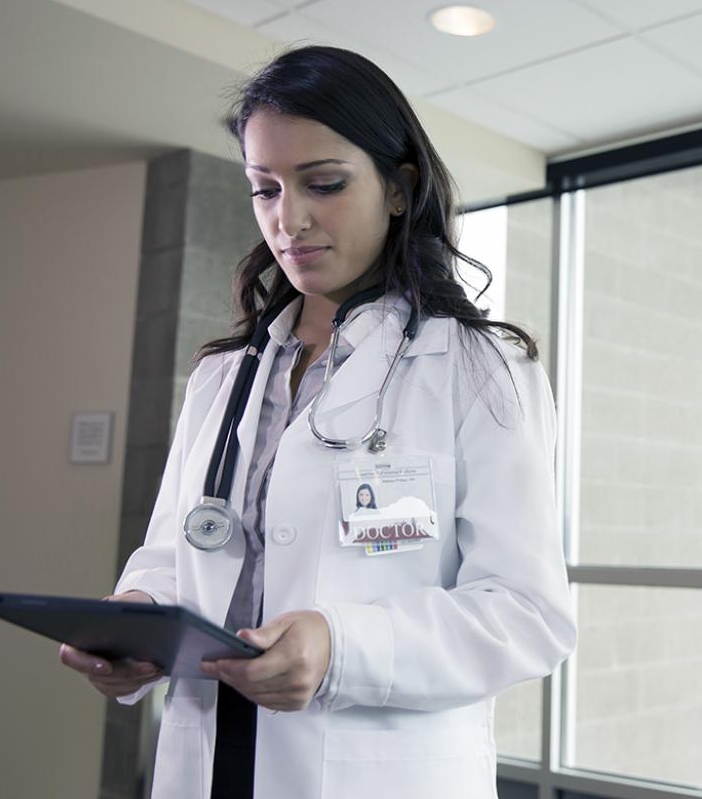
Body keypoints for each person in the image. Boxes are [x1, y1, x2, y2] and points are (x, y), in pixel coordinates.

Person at [59, 45, 575, 799]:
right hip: (207, 760)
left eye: (323, 184)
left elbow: (528, 615)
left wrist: (340, 648)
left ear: (400, 189)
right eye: (263, 190)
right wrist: (134, 620)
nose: (288, 220)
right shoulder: (222, 377)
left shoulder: (478, 369)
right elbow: (177, 549)